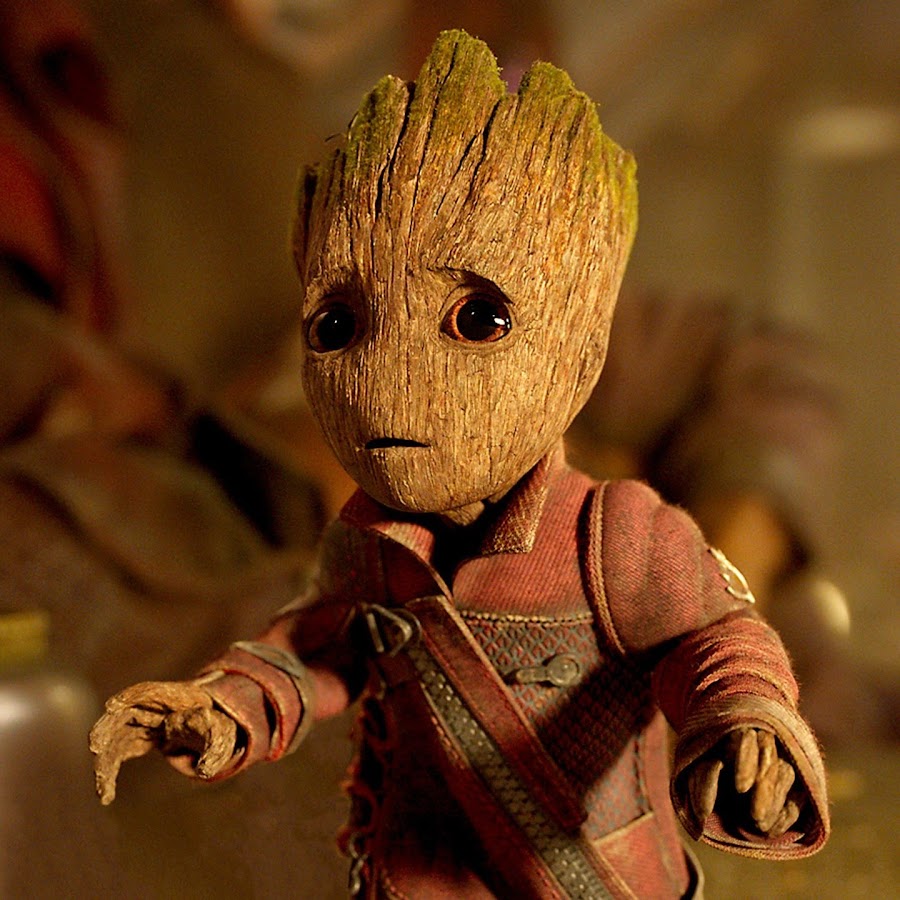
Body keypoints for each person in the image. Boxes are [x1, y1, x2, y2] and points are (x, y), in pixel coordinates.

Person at [91, 31, 829, 898]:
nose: (388, 386)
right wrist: (227, 709)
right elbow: (314, 648)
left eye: (477, 321)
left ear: (578, 345)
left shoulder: (616, 531)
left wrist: (746, 719)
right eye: (338, 327)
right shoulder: (361, 540)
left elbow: (717, 638)